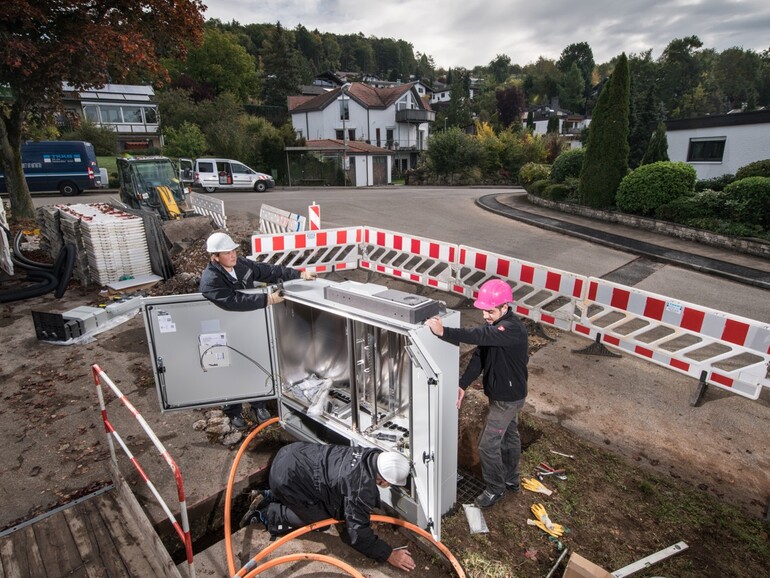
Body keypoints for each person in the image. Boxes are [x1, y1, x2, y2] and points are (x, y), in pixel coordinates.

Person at [424, 278, 528, 508]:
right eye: (483, 311)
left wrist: (443, 332)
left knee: (487, 445)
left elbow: (480, 336)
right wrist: (462, 384)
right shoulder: (496, 328)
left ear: (505, 307)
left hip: (508, 400)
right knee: (510, 438)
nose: (485, 316)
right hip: (501, 395)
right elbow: (480, 356)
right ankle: (512, 480)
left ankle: (495, 489)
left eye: (490, 311)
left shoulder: (512, 330)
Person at [199, 231, 316, 428]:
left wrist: (298, 273)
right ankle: (233, 411)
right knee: (231, 368)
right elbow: (231, 301)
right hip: (226, 329)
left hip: (250, 324)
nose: (233, 255)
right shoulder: (210, 280)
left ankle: (258, 404)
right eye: (227, 253)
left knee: (256, 362)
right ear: (215, 257)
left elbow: (267, 270)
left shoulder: (242, 265)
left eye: (234, 251)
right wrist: (266, 299)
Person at [241, 442, 416, 573]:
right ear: (384, 481)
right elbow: (358, 534)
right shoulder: (360, 488)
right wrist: (388, 554)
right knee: (321, 521)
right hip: (285, 480)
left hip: (289, 455)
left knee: (324, 502)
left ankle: (268, 494)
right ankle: (266, 514)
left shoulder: (368, 454)